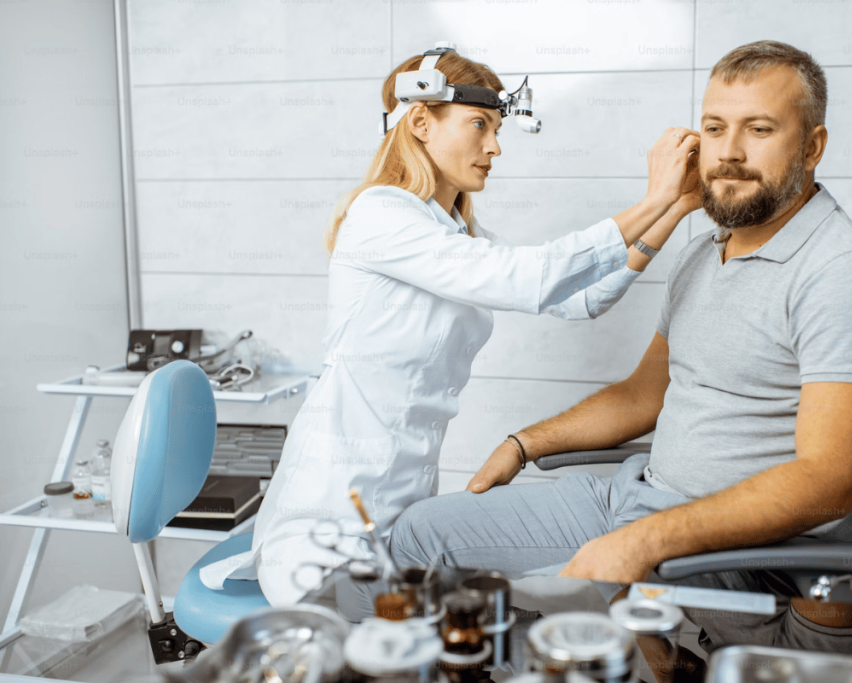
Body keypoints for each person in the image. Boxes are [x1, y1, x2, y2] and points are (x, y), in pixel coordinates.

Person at [380, 40, 852, 656]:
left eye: (760, 129)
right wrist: (525, 442)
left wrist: (647, 541)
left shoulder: (848, 275)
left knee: (548, 617)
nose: (730, 152)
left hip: (729, 547)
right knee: (420, 537)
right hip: (637, 495)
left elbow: (828, 481)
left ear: (813, 146)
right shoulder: (705, 251)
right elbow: (645, 393)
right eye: (715, 128)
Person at [198, 47, 701, 605]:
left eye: (498, 128)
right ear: (420, 120)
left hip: (401, 506)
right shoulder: (381, 216)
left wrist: (674, 209)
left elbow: (582, 298)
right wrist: (651, 197)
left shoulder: (454, 234)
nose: (495, 146)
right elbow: (531, 279)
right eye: (480, 125)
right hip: (332, 516)